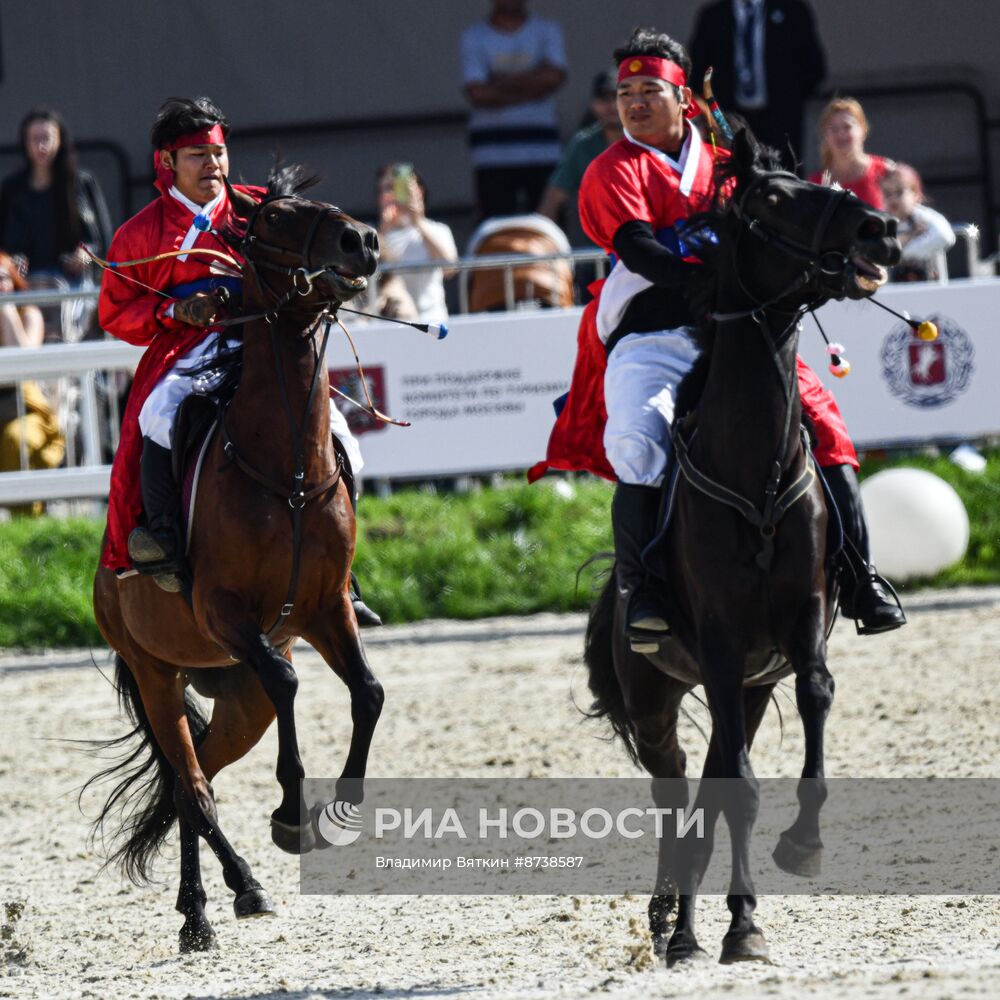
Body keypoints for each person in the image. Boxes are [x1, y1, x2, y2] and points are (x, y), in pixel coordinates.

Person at [528, 27, 904, 644]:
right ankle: (642, 588)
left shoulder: (730, 157)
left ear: (684, 99)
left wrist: (846, 265)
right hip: (654, 332)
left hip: (746, 330)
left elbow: (789, 222)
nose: (634, 103)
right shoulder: (608, 169)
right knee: (637, 437)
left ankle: (859, 578)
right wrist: (705, 281)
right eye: (625, 93)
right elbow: (638, 249)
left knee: (828, 430)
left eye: (650, 89)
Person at [97, 97, 381, 625]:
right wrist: (175, 309)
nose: (213, 166)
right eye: (198, 155)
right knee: (158, 414)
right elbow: (115, 312)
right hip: (191, 347)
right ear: (167, 163)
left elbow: (312, 248)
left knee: (341, 437)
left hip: (268, 343)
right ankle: (164, 536)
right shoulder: (140, 233)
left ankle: (341, 573)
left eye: (219, 154)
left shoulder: (258, 209)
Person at [0, 108, 112, 341]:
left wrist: (85, 255)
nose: (41, 146)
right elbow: (5, 245)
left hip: (71, 282)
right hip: (26, 284)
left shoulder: (80, 182)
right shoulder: (12, 189)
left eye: (47, 138)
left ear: (60, 140)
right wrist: (13, 262)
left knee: (69, 321)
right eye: (34, 139)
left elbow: (101, 238)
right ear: (25, 142)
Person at [460, 0, 568, 219]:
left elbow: (555, 77)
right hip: (491, 154)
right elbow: (477, 93)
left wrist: (499, 82)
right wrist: (534, 84)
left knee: (548, 229)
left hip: (543, 150)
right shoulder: (473, 36)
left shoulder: (547, 29)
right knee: (496, 231)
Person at [689, 0, 826, 170]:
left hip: (780, 121)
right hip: (729, 121)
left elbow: (814, 68)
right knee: (735, 178)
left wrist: (788, 101)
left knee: (783, 179)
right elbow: (696, 74)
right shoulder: (712, 16)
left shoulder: (792, 10)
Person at [0, 250, 65, 515]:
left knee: (16, 439)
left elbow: (23, 362)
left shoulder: (29, 314)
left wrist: (5, 309)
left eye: (2, 278)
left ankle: (26, 522)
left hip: (27, 410)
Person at [537, 70, 623, 229]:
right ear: (593, 104)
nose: (612, 105)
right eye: (604, 98)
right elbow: (552, 199)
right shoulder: (583, 144)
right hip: (593, 249)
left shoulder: (647, 140)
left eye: (618, 97)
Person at [375, 163, 457, 324]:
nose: (395, 195)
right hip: (392, 321)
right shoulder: (375, 235)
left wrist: (418, 221)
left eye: (401, 188)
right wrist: (383, 231)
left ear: (420, 191)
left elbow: (450, 268)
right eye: (388, 188)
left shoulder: (438, 230)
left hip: (433, 319)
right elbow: (368, 272)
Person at [809, 97, 894, 210]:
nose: (841, 134)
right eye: (834, 129)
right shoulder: (816, 184)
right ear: (825, 137)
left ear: (863, 131)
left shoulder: (885, 171)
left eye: (847, 127)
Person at [881, 163, 955, 282]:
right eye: (887, 194)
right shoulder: (882, 222)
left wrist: (899, 254)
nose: (893, 198)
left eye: (899, 192)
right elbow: (879, 250)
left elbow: (945, 236)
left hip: (930, 287)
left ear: (916, 195)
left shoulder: (924, 218)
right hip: (894, 291)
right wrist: (909, 236)